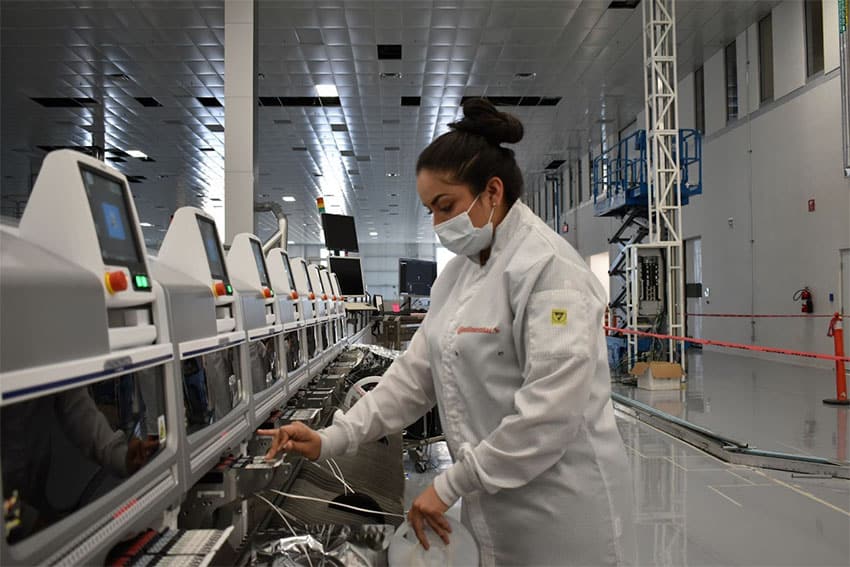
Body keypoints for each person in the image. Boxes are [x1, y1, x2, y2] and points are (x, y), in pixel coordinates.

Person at [260, 98, 633, 566]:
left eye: (445, 206)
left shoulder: (550, 271)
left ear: (492, 192)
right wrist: (332, 438)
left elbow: (549, 414)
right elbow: (415, 376)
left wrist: (450, 483)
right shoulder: (457, 277)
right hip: (493, 501)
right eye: (430, 210)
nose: (437, 224)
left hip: (560, 511)